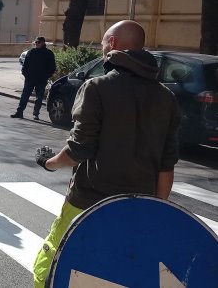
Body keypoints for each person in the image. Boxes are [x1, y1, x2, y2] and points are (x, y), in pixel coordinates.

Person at [32, 20, 181, 287]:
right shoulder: (166, 97)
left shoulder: (96, 87)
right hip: (137, 208)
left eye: (103, 42)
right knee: (118, 273)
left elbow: (78, 151)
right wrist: (155, 211)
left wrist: (48, 163)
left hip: (87, 204)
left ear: (112, 44)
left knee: (54, 265)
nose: (102, 47)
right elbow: (166, 166)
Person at [11, 36, 56, 120]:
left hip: (41, 79)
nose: (36, 44)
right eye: (36, 42)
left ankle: (36, 114)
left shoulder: (49, 53)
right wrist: (25, 73)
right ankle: (19, 112)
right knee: (24, 95)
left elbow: (52, 67)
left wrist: (46, 76)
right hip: (30, 78)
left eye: (38, 42)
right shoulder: (31, 52)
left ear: (43, 43)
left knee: (39, 97)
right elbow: (25, 65)